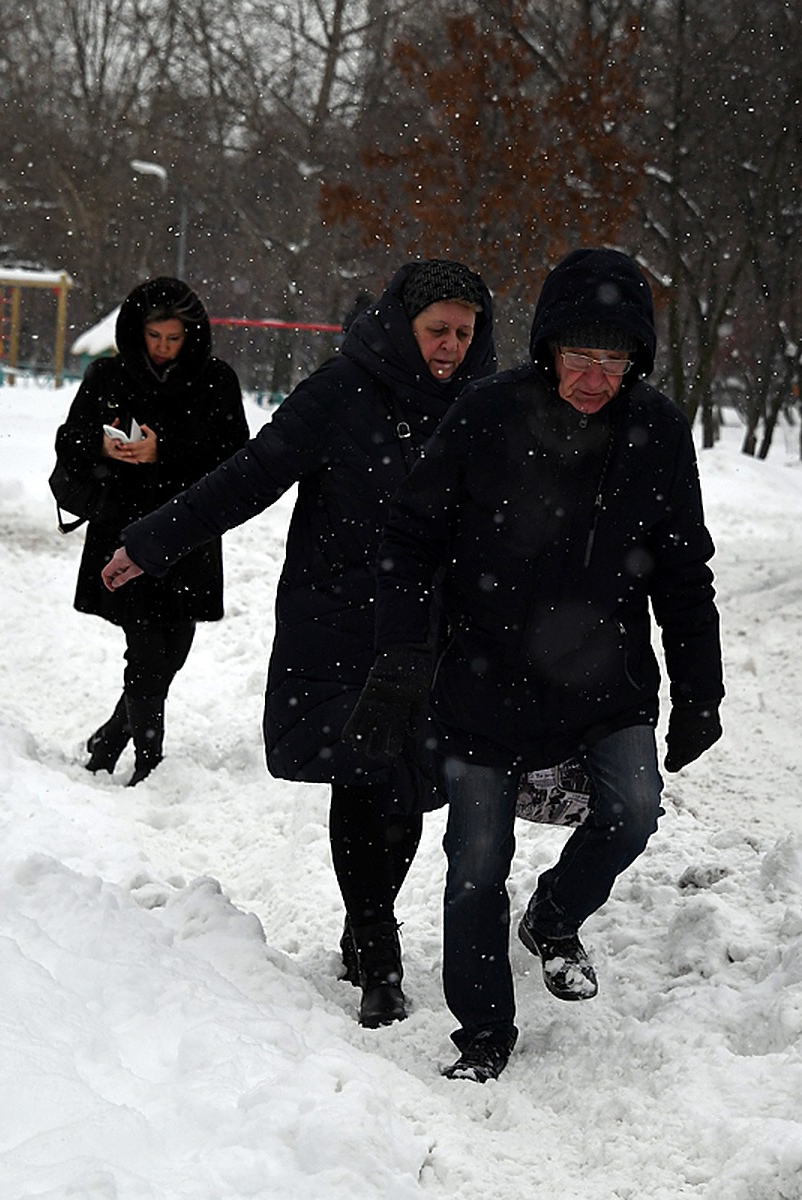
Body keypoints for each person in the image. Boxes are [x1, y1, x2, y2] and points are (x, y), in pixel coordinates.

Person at [344, 247, 725, 1082]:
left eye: (615, 359)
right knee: (477, 863)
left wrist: (701, 691)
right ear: (548, 348)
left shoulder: (655, 430)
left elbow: (684, 571)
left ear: (639, 362)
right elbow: (410, 540)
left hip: (607, 682)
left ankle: (554, 917)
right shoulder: (486, 415)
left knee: (634, 809)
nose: (596, 377)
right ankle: (483, 1032)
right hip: (487, 681)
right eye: (580, 356)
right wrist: (405, 655)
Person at [99, 260, 497, 1027]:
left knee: (408, 780)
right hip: (340, 619)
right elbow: (249, 475)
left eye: (463, 332)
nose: (449, 346)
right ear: (402, 325)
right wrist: (153, 541)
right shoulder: (342, 391)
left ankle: (366, 921)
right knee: (363, 766)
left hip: (433, 629)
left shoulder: (484, 406)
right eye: (436, 330)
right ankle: (378, 949)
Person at [55, 277, 250, 785]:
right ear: (136, 331)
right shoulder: (107, 376)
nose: (163, 349)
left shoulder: (217, 381)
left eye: (174, 338)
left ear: (193, 335)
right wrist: (104, 445)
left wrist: (164, 450)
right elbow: (68, 442)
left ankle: (110, 736)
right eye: (154, 336)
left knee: (174, 648)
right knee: (145, 646)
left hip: (190, 529)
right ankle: (148, 759)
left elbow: (235, 456)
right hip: (124, 529)